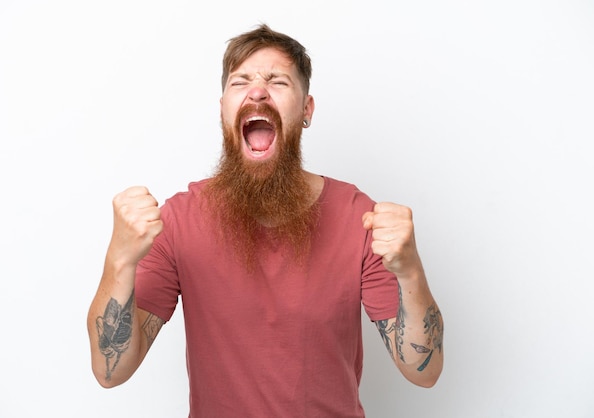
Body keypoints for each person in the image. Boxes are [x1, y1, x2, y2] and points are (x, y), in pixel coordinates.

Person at [87, 24, 443, 417]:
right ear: (223, 109)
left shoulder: (359, 217)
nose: (258, 91)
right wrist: (118, 260)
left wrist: (410, 270)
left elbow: (422, 371)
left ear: (306, 110)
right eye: (241, 81)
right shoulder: (178, 221)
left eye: (277, 81)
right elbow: (111, 371)